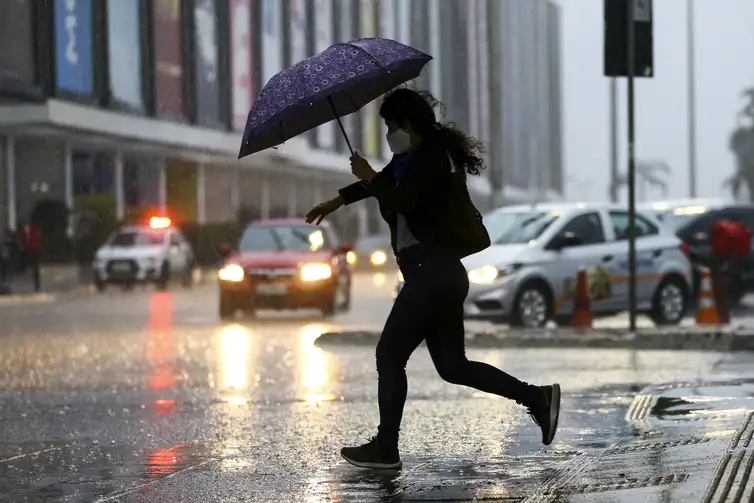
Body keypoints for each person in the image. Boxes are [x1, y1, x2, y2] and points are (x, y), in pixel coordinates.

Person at [305, 88, 561, 470]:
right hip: (437, 275)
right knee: (453, 366)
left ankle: (386, 448)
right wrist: (337, 200)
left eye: (392, 125)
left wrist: (372, 177)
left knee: (389, 355)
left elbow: (404, 200)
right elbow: (381, 185)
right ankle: (537, 398)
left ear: (409, 123)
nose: (390, 132)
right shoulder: (410, 160)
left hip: (432, 274)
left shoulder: (433, 161)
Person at [19, 218, 42, 292]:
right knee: (35, 267)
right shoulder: (35, 229)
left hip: (30, 250)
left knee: (32, 266)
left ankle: (24, 271)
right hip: (36, 249)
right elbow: (38, 238)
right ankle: (37, 285)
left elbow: (25, 240)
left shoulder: (24, 230)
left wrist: (24, 247)